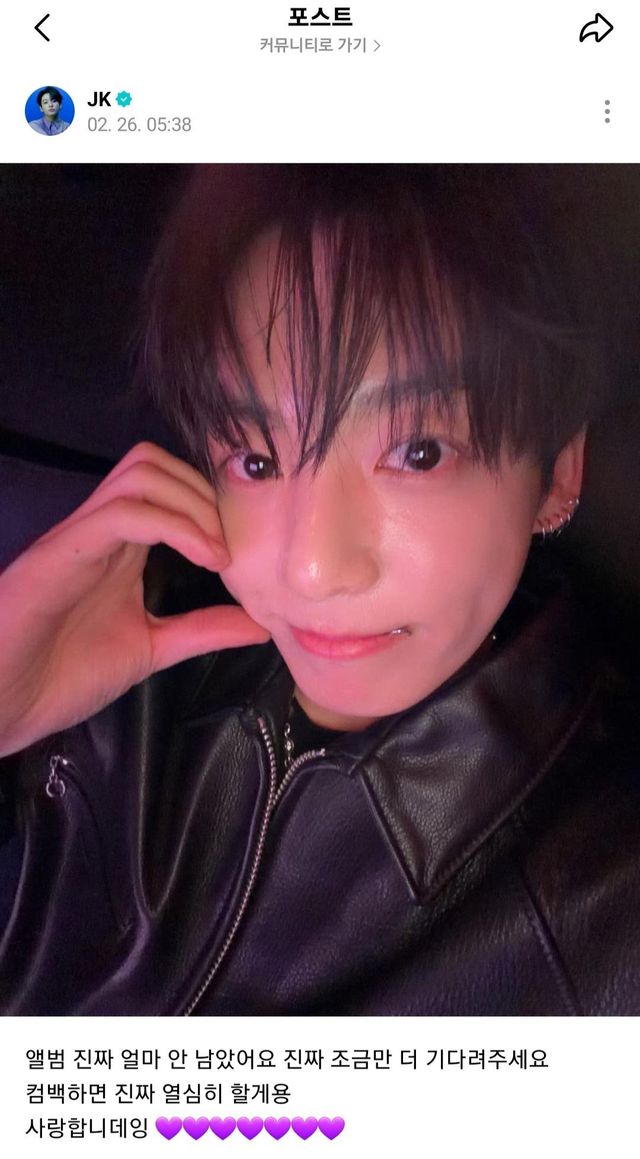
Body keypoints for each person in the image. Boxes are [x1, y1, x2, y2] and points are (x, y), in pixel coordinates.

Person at [0, 165, 638, 1015]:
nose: (308, 568)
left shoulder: (607, 901)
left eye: (419, 452)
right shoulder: (112, 641)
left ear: (557, 470)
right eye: (255, 457)